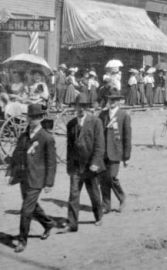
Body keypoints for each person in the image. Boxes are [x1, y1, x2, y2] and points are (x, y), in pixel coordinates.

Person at [5, 104, 57, 253]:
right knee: (32, 207)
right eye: (30, 117)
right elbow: (16, 155)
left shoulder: (46, 138)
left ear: (41, 118)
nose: (32, 120)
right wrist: (12, 174)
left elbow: (51, 163)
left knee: (26, 210)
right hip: (24, 178)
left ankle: (22, 240)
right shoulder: (24, 135)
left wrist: (49, 183)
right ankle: (48, 224)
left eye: (35, 118)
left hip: (37, 179)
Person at [60, 94, 106, 233]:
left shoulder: (96, 122)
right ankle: (72, 224)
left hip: (90, 166)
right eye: (78, 106)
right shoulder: (71, 124)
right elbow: (69, 147)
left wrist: (95, 163)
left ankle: (99, 216)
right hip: (76, 166)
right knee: (73, 194)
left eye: (83, 106)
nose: (80, 109)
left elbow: (99, 145)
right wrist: (69, 166)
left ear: (87, 108)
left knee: (94, 193)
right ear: (74, 107)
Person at [98, 91, 131, 214]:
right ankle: (106, 205)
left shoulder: (123, 115)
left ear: (118, 101)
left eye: (114, 100)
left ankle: (122, 197)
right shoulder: (103, 114)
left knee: (112, 177)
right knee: (103, 179)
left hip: (116, 152)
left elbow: (127, 137)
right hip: (103, 152)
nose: (112, 102)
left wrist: (126, 157)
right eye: (110, 100)